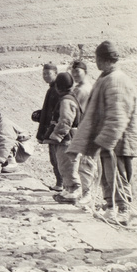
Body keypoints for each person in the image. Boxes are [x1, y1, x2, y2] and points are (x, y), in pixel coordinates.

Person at [68, 41, 137, 225]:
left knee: (118, 176)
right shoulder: (107, 78)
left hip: (119, 141)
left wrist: (107, 140)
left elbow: (118, 114)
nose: (95, 62)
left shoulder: (117, 80)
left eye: (97, 58)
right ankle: (111, 209)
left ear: (103, 59)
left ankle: (124, 210)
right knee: (107, 177)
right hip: (108, 141)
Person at [43, 73, 83, 203]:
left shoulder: (66, 101)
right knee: (63, 164)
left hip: (68, 140)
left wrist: (56, 136)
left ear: (58, 87)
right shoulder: (70, 98)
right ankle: (67, 189)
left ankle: (73, 191)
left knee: (68, 164)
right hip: (67, 139)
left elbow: (66, 121)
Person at [70, 60, 98, 206]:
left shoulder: (82, 89)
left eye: (77, 72)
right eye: (73, 72)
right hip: (85, 128)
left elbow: (75, 112)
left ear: (85, 72)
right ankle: (85, 193)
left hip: (87, 129)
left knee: (86, 163)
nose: (74, 74)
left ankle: (87, 195)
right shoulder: (82, 87)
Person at [32, 63, 62, 191]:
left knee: (57, 158)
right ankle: (60, 183)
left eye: (48, 73)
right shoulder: (53, 88)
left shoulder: (56, 90)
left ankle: (61, 184)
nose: (45, 76)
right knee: (55, 158)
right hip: (53, 129)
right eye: (44, 73)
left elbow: (55, 112)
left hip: (55, 130)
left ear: (55, 73)